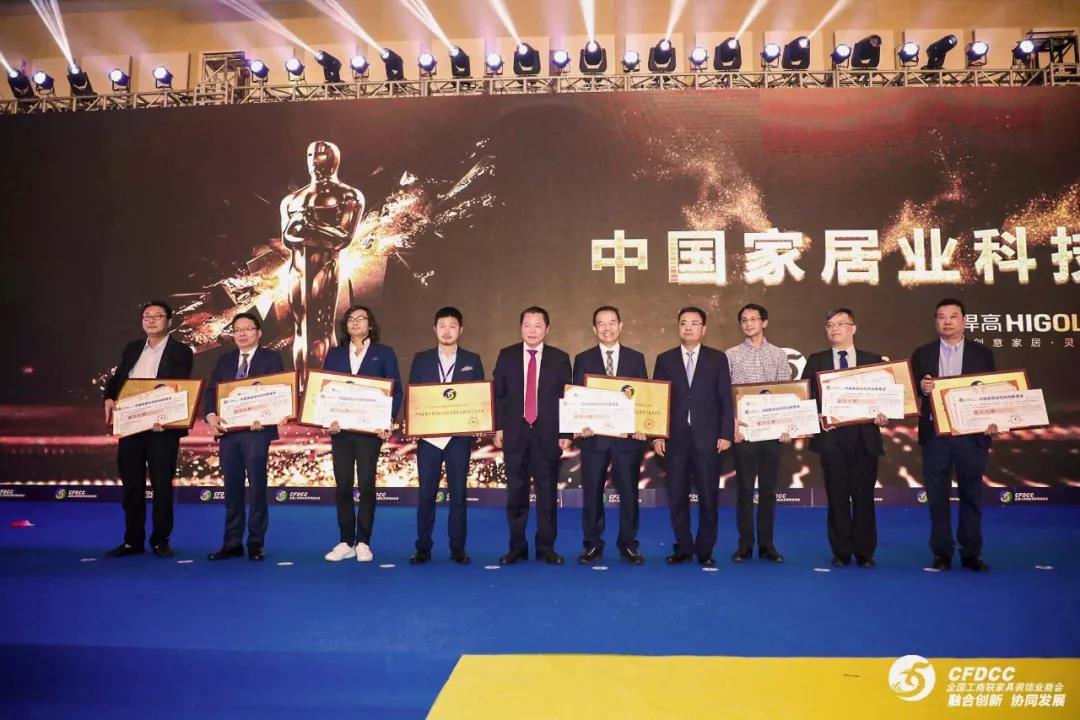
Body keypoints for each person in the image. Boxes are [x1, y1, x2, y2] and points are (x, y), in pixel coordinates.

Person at [102, 300, 194, 558]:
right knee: (132, 484)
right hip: (131, 424)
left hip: (162, 427)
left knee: (161, 484)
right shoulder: (132, 348)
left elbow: (179, 387)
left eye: (157, 316)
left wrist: (164, 415)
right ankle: (132, 540)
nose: (151, 320)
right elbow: (118, 378)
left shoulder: (181, 351)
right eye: (146, 316)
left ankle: (160, 540)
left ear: (169, 321)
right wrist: (109, 397)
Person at [911, 298, 997, 572]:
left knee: (971, 495)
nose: (946, 321)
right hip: (935, 436)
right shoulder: (922, 353)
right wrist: (922, 388)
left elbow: (992, 391)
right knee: (937, 498)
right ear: (935, 321)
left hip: (971, 436)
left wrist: (993, 420)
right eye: (941, 317)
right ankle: (942, 553)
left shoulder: (982, 353)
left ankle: (971, 553)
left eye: (953, 316)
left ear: (964, 321)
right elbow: (911, 391)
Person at [801, 308, 888, 568]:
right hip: (832, 440)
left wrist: (885, 413)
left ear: (853, 328)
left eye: (840, 323)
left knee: (864, 498)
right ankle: (841, 552)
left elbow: (887, 397)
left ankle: (865, 552)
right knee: (837, 497)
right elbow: (804, 398)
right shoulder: (816, 361)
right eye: (830, 325)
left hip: (865, 439)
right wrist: (816, 416)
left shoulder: (873, 360)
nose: (835, 329)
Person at [652, 306, 734, 567]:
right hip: (675, 440)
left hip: (708, 439)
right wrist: (657, 435)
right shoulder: (665, 359)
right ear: (678, 327)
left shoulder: (717, 359)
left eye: (694, 323)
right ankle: (683, 547)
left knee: (708, 497)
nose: (688, 327)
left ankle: (705, 549)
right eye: (684, 323)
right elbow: (657, 401)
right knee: (677, 497)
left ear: (704, 329)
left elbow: (725, 398)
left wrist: (726, 433)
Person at [321, 305, 403, 564]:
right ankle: (346, 541)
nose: (355, 322)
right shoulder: (334, 354)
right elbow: (325, 390)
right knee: (343, 485)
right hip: (341, 431)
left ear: (371, 324)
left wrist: (386, 420)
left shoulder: (384, 353)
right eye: (350, 319)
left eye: (361, 318)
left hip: (370, 432)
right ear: (345, 325)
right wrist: (326, 419)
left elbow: (395, 391)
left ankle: (364, 541)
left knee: (367, 485)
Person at [492, 306, 572, 565]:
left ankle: (546, 548)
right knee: (516, 494)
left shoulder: (560, 358)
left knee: (547, 494)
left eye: (538, 325)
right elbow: (498, 395)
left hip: (547, 436)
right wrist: (499, 428)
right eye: (527, 324)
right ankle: (517, 547)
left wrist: (565, 432)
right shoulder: (506, 356)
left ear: (547, 329)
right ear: (520, 328)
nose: (532, 330)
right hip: (515, 435)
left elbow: (566, 398)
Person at [203, 312, 286, 562]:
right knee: (232, 489)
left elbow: (278, 392)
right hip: (229, 433)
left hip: (256, 433)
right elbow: (212, 391)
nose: (241, 334)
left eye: (247, 329)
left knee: (257, 488)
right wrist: (210, 415)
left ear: (258, 333)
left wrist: (267, 416)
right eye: (237, 330)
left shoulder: (271, 358)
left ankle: (256, 543)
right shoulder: (225, 360)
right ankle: (232, 543)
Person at [280, 140, 365, 384]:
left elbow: (343, 237)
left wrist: (311, 225)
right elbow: (287, 238)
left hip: (325, 268)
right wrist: (307, 229)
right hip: (297, 270)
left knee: (322, 328)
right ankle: (302, 386)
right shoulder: (291, 200)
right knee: (300, 328)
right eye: (311, 155)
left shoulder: (348, 195)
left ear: (334, 159)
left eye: (321, 155)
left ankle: (324, 387)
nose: (315, 160)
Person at [407, 307, 484, 565]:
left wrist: (478, 421)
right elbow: (414, 397)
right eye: (442, 326)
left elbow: (479, 398)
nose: (447, 331)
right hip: (429, 438)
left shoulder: (472, 360)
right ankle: (423, 547)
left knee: (458, 494)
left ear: (461, 330)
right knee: (426, 494)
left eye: (452, 326)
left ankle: (458, 548)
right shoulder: (422, 359)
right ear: (435, 329)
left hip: (459, 438)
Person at [571, 305, 648, 565]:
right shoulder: (583, 359)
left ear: (620, 326)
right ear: (594, 329)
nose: (607, 328)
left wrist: (642, 426)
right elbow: (577, 397)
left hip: (626, 441)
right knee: (592, 493)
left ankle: (629, 545)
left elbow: (644, 399)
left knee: (629, 494)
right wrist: (580, 423)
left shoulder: (636, 359)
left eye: (612, 322)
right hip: (594, 439)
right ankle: (592, 544)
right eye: (601, 323)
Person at [726, 303, 792, 564]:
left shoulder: (778, 354)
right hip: (744, 433)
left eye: (753, 319)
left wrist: (787, 426)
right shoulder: (730, 355)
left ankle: (767, 545)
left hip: (772, 433)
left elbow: (787, 393)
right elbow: (725, 395)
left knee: (768, 491)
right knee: (744, 491)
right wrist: (732, 424)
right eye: (744, 320)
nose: (749, 323)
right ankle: (745, 545)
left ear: (764, 322)